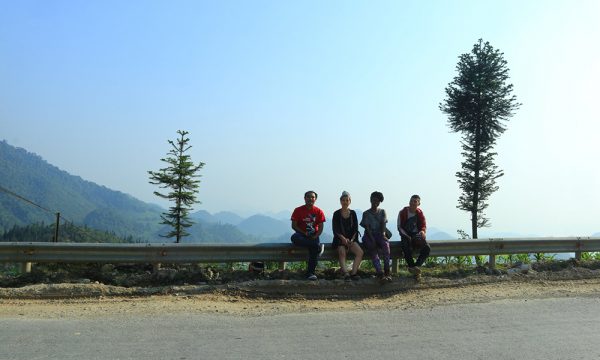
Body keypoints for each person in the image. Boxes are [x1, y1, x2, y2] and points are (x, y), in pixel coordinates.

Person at [291, 190, 326, 281]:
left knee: (313, 250)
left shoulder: (319, 211)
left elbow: (321, 227)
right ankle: (317, 246)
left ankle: (310, 273)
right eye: (308, 197)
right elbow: (294, 225)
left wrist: (316, 235)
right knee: (294, 238)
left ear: (315, 199)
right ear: (304, 198)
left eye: (312, 197)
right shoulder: (298, 210)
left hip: (313, 235)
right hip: (301, 234)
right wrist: (304, 233)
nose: (310, 199)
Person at [360, 191, 392, 282]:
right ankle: (380, 273)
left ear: (380, 202)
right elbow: (367, 228)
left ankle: (387, 272)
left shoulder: (382, 212)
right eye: (374, 200)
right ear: (370, 200)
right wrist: (372, 239)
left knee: (386, 246)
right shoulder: (366, 213)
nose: (375, 202)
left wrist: (383, 235)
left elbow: (383, 224)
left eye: (378, 201)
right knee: (373, 249)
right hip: (369, 235)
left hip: (380, 234)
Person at [332, 191, 363, 281]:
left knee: (360, 252)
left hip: (352, 240)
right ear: (340, 201)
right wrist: (343, 239)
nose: (345, 202)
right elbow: (335, 229)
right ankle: (346, 274)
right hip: (339, 239)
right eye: (343, 200)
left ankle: (353, 273)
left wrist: (352, 239)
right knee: (342, 252)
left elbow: (355, 228)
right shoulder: (336, 214)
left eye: (347, 200)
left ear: (350, 201)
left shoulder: (353, 213)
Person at [397, 194, 430, 280]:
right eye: (411, 201)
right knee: (405, 246)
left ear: (418, 203)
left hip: (416, 234)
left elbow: (423, 225)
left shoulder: (420, 213)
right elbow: (399, 227)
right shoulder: (403, 212)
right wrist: (407, 236)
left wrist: (422, 232)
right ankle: (413, 267)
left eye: (415, 201)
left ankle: (416, 267)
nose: (412, 203)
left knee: (427, 248)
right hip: (405, 234)